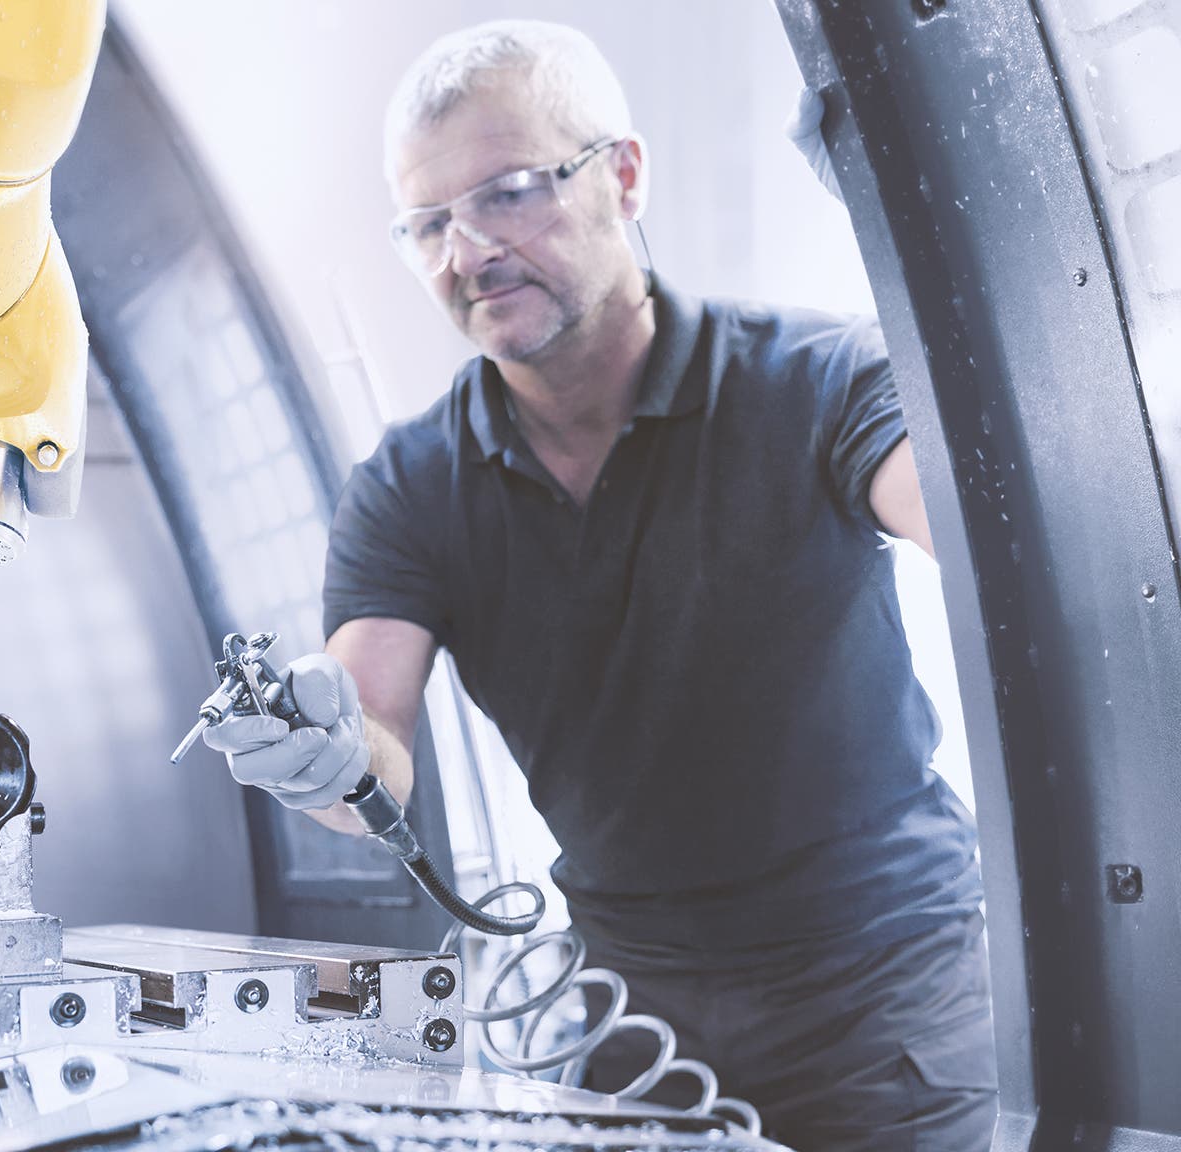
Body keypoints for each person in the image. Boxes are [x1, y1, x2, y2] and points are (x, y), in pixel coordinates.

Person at [202, 20, 997, 1151]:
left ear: (621, 175)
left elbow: (988, 535)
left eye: (509, 194)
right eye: (425, 223)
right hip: (631, 1003)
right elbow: (362, 742)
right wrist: (321, 755)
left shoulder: (818, 381)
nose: (465, 251)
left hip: (882, 986)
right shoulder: (409, 485)